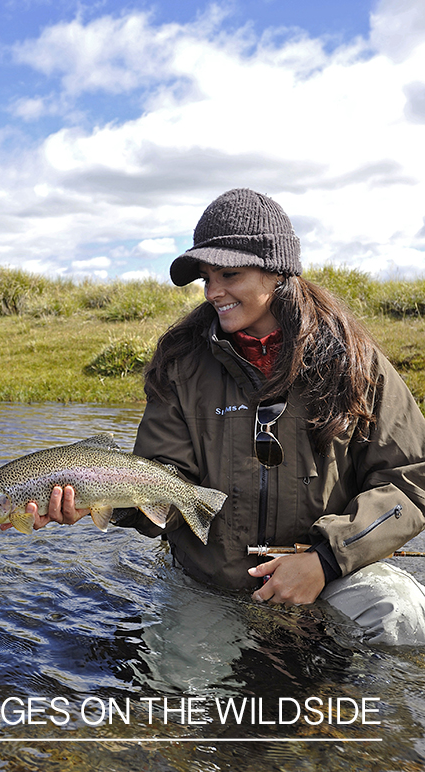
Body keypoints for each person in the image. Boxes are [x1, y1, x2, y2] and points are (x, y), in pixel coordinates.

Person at [28, 188, 425, 645]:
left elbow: (410, 481)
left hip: (333, 573)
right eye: (206, 278)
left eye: (229, 274)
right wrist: (101, 499)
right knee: (184, 696)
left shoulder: (356, 361)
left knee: (401, 614)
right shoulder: (180, 363)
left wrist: (325, 561)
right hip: (210, 584)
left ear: (278, 272)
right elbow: (166, 482)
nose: (213, 292)